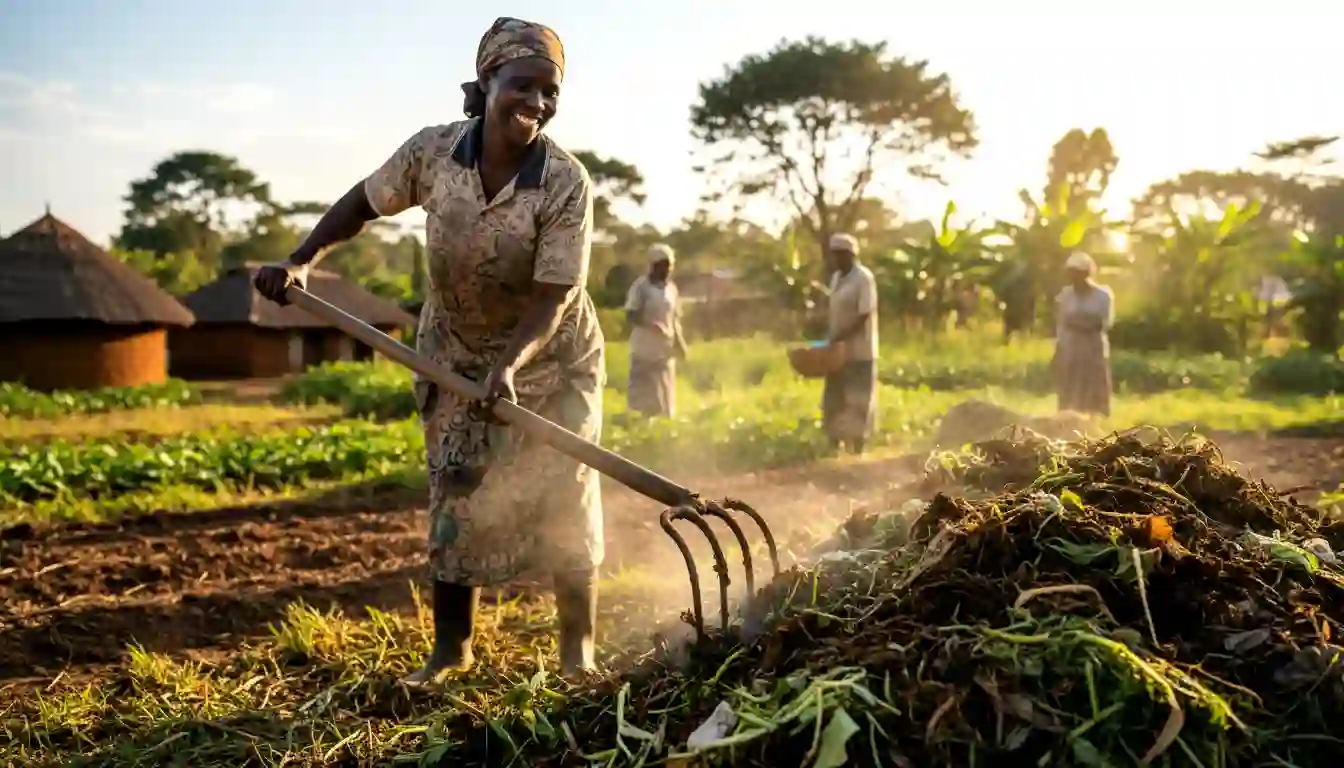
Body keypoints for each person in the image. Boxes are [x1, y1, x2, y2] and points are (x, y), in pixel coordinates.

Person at [252, 17, 605, 683]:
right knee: (456, 485)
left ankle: (576, 654)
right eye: (522, 85)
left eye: (550, 91)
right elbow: (362, 203)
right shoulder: (434, 153)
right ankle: (451, 652)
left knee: (567, 488)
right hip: (454, 351)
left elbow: (553, 297)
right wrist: (301, 259)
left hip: (552, 357)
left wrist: (508, 367)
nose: (536, 102)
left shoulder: (565, 182)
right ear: (486, 81)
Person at [822, 233, 879, 454]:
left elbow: (864, 313)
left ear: (851, 255)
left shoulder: (863, 278)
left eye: (840, 255)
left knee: (859, 398)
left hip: (860, 350)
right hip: (838, 352)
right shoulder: (837, 278)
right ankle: (835, 442)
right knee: (834, 397)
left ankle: (858, 445)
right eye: (834, 255)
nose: (836, 259)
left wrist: (842, 336)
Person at [623, 243, 686, 417]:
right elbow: (631, 315)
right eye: (663, 265)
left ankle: (664, 425)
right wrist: (651, 324)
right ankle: (644, 425)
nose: (667, 270)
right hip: (644, 349)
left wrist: (680, 343)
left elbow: (674, 318)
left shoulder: (671, 289)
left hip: (664, 349)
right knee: (646, 395)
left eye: (669, 266)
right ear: (653, 265)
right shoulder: (641, 287)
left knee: (665, 392)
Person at [1053, 252, 1114, 416]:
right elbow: (1061, 323)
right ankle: (1069, 419)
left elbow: (1104, 322)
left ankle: (1094, 420)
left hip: (1093, 347)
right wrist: (1059, 347)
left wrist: (1081, 324)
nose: (1073, 277)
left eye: (1076, 272)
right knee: (1070, 383)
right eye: (1070, 273)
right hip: (1071, 347)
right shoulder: (1066, 295)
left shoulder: (1103, 295)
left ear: (1086, 273)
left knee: (1094, 383)